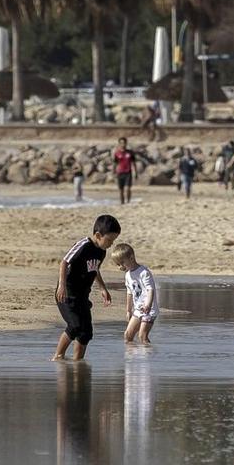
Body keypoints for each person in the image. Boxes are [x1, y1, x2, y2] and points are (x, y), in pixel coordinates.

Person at [53, 214, 119, 359]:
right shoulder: (83, 245)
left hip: (82, 295)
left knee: (86, 333)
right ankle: (58, 357)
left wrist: (103, 288)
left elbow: (94, 269)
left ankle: (77, 362)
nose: (111, 244)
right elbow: (64, 262)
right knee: (75, 326)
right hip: (67, 294)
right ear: (98, 235)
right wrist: (62, 285)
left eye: (113, 241)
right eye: (109, 240)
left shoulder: (102, 251)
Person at [108, 242, 158, 347]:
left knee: (142, 336)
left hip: (149, 309)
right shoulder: (127, 275)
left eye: (122, 263)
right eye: (118, 264)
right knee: (128, 335)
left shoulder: (144, 272)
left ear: (131, 258)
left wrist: (148, 305)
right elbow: (129, 293)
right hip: (138, 309)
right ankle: (132, 358)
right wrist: (128, 310)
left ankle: (147, 359)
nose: (120, 267)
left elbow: (150, 290)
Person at [113, 137, 135, 206]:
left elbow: (133, 163)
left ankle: (128, 202)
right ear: (119, 144)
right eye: (121, 143)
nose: (123, 144)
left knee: (128, 188)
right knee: (121, 189)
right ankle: (122, 203)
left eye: (124, 143)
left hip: (128, 172)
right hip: (120, 173)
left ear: (126, 143)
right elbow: (115, 163)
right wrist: (113, 172)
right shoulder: (117, 153)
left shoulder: (130, 153)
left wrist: (136, 172)